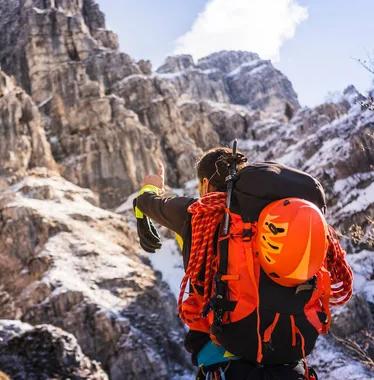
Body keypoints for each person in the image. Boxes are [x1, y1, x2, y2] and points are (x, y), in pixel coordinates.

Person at [134, 147, 319, 380]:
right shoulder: (277, 219)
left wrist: (151, 185)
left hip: (225, 365)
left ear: (204, 183)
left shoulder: (199, 214)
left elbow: (148, 202)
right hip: (292, 364)